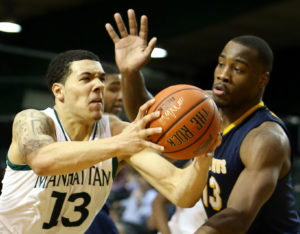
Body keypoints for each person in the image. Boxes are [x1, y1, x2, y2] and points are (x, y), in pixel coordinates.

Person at [0, 14, 219, 234]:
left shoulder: (117, 131)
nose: (98, 85)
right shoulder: (32, 119)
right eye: (86, 79)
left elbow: (181, 191)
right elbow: (42, 160)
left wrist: (204, 154)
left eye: (101, 79)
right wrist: (120, 143)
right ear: (59, 91)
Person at [106, 9, 300, 234]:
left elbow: (237, 216)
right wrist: (130, 73)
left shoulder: (264, 139)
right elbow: (151, 119)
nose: (223, 74)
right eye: (220, 63)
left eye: (237, 69)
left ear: (261, 80)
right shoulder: (205, 107)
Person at [85, 62, 122, 234]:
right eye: (114, 89)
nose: (121, 97)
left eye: (123, 90)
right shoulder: (105, 124)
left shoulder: (112, 127)